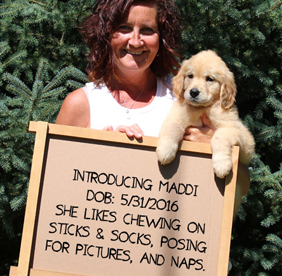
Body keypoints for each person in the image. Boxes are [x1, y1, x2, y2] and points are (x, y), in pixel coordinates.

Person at [56, 0, 250, 197]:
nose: (136, 41)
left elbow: (242, 187)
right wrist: (100, 153)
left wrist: (209, 149)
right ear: (106, 34)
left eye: (148, 30)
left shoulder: (182, 97)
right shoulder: (81, 104)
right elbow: (55, 188)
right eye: (124, 28)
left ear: (162, 38)